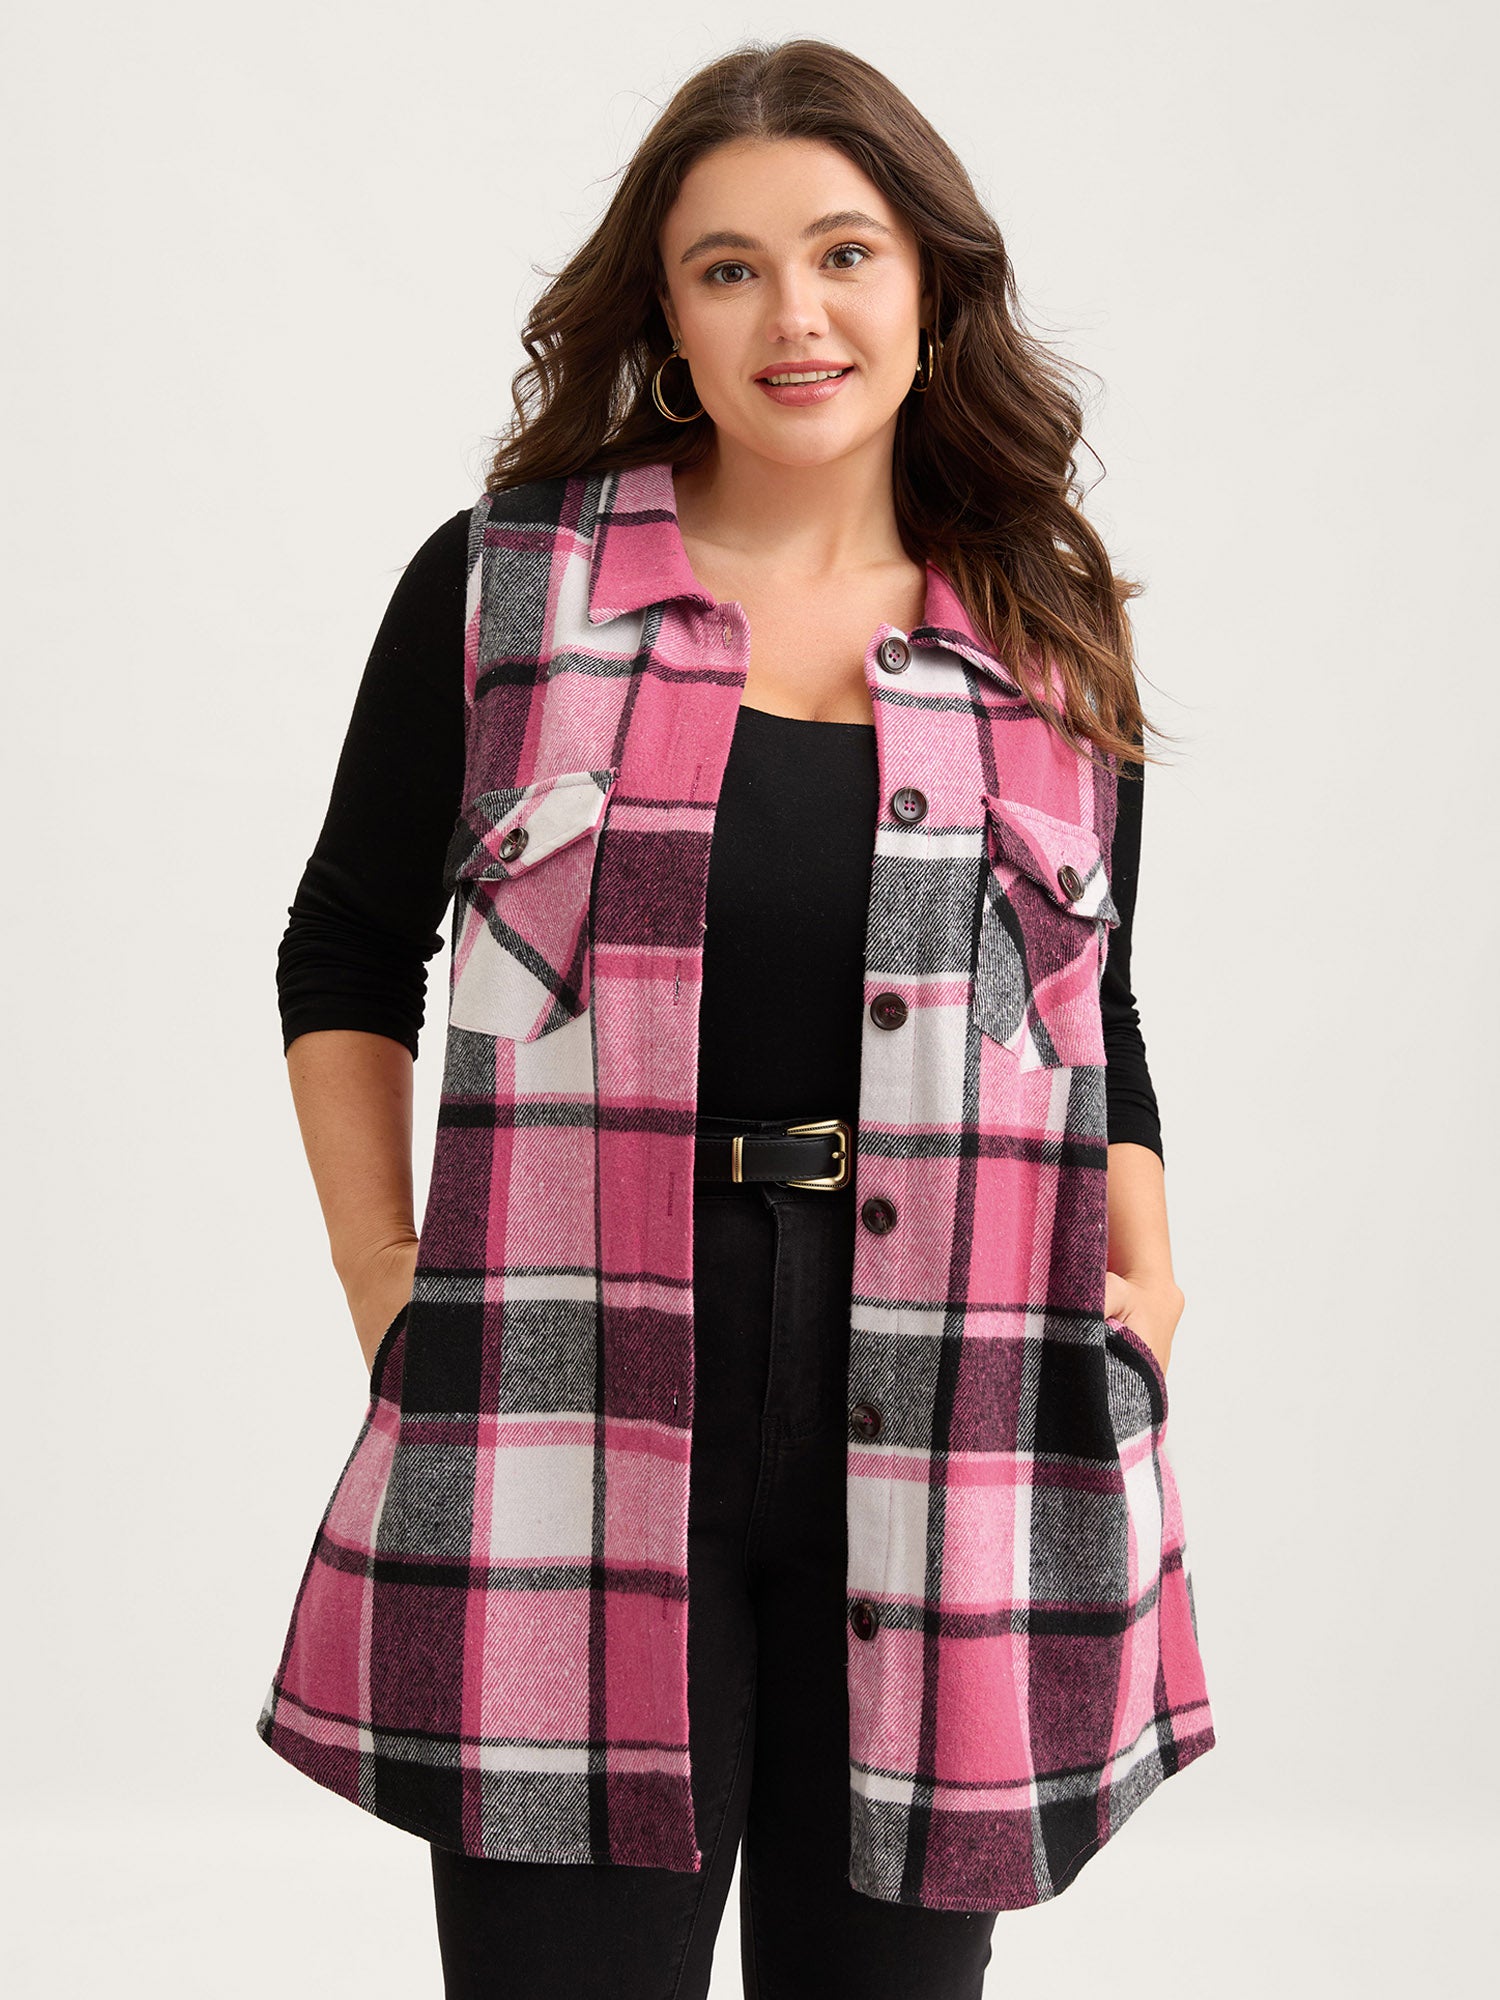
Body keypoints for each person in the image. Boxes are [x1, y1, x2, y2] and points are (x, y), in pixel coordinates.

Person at [256, 37, 1215, 2000]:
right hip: (571, 1402)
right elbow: (345, 950)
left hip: (954, 1411)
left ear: (930, 289)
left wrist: (1149, 1282)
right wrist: (384, 1278)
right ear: (668, 317)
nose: (797, 314)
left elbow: (1095, 1002)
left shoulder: (1046, 630)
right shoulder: (508, 591)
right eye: (730, 268)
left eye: (846, 253)